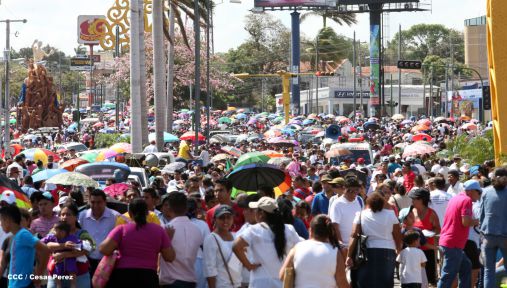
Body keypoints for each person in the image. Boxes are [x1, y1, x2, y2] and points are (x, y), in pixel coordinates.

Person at [99, 198, 176, 287]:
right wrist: (168, 239)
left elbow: (104, 250)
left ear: (130, 213)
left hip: (124, 276)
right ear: (147, 213)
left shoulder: (121, 229)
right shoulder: (159, 231)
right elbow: (169, 257)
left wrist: (118, 246)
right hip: (148, 277)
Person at [233, 197, 300, 288]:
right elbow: (299, 250)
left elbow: (235, 246)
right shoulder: (289, 229)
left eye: (256, 210)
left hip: (260, 283)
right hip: (282, 283)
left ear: (262, 214)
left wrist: (248, 265)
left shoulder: (253, 230)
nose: (254, 212)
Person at [346, 192, 402, 288]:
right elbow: (397, 235)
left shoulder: (361, 214)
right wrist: (398, 250)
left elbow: (354, 235)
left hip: (367, 251)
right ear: (382, 203)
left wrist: (349, 255)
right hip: (388, 250)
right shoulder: (391, 214)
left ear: (368, 203)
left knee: (365, 282)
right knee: (386, 282)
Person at [279, 214, 350, 288]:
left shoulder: (297, 248)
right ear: (329, 232)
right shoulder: (335, 252)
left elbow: (282, 276)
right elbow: (342, 284)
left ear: (310, 231)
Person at [437, 180, 482, 288]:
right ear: (471, 191)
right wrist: (479, 221)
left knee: (466, 267)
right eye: (478, 192)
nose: (479, 195)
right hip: (453, 243)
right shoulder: (466, 200)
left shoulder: (455, 198)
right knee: (448, 275)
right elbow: (466, 222)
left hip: (450, 241)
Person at [43, 203, 95, 288]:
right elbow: (46, 245)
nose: (65, 217)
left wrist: (64, 254)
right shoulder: (54, 231)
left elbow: (87, 249)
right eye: (62, 214)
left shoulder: (82, 233)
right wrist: (64, 245)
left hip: (79, 277)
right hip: (56, 275)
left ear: (76, 217)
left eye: (68, 214)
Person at [159, 192, 204, 288]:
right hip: (190, 281)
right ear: (186, 208)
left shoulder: (165, 230)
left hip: (171, 282)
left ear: (169, 208)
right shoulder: (197, 230)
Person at [0, 204, 50, 288]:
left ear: (7, 220)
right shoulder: (14, 237)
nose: (1, 224)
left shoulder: (23, 234)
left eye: (1, 220)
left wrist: (38, 275)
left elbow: (45, 250)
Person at [78, 189, 120, 276]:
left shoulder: (115, 217)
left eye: (99, 202)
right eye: (93, 202)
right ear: (89, 202)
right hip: (87, 262)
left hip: (109, 263)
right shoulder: (82, 216)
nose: (96, 205)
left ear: (105, 202)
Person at [480, 167, 507, 288]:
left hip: (488, 234)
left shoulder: (485, 191)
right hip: (505, 235)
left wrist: (482, 233)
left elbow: (482, 215)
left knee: (488, 270)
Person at [203, 205, 242, 288]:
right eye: (221, 218)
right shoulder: (211, 239)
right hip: (220, 285)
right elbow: (210, 269)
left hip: (237, 285)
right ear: (215, 220)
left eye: (229, 217)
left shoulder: (236, 236)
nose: (225, 221)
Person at [410, 188, 441, 286]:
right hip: (413, 250)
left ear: (421, 200)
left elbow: (438, 230)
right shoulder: (411, 211)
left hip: (428, 250)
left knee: (429, 278)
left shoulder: (431, 213)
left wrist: (429, 233)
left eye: (414, 199)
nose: (412, 201)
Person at [329, 177, 363, 251]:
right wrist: (340, 243)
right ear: (344, 189)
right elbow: (334, 225)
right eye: (351, 191)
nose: (354, 193)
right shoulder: (337, 204)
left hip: (357, 245)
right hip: (344, 247)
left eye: (356, 190)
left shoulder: (359, 200)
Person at [44, 221, 80, 288]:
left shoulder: (71, 237)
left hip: (69, 257)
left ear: (63, 232)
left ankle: (73, 285)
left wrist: (74, 247)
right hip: (57, 259)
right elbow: (42, 242)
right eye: (54, 230)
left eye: (56, 230)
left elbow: (79, 246)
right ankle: (58, 285)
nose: (54, 231)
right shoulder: (51, 237)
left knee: (72, 270)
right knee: (57, 271)